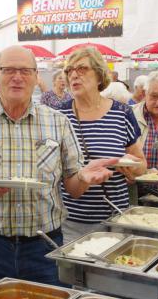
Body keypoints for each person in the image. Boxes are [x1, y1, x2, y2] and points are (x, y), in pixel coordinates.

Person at [0, 45, 117, 289]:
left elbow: (73, 188)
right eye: (9, 70)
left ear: (36, 76)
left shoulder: (58, 122)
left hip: (46, 247)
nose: (17, 77)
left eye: (25, 71)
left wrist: (83, 177)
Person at [59, 47, 147, 243]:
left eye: (81, 69)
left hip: (115, 219)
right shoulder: (59, 116)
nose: (74, 74)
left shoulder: (122, 113)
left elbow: (141, 164)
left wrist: (134, 168)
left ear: (99, 75)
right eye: (69, 71)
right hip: (71, 222)